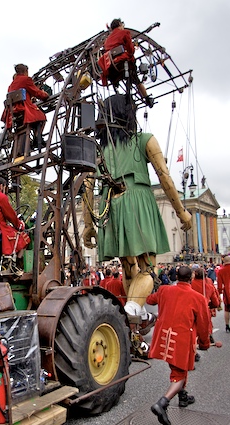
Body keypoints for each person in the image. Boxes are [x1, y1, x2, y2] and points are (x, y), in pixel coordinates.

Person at [82, 94, 192, 335]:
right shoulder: (145, 140)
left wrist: (88, 225)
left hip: (110, 206)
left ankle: (136, 321)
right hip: (137, 201)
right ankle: (131, 314)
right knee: (149, 270)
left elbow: (87, 189)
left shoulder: (98, 150)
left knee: (129, 269)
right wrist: (181, 211)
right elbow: (164, 177)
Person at [146, 266, 211, 425]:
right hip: (181, 339)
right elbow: (203, 324)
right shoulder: (198, 298)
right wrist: (205, 342)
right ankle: (162, 403)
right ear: (191, 277)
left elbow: (149, 300)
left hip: (163, 338)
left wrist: (159, 288)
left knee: (177, 368)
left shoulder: (164, 291)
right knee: (180, 374)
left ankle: (182, 396)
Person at [97, 18, 153, 107]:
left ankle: (119, 90)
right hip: (125, 63)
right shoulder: (125, 33)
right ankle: (146, 98)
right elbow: (131, 50)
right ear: (119, 24)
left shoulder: (107, 40)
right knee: (137, 81)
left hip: (112, 67)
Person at [1, 63, 49, 150]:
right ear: (25, 71)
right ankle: (37, 138)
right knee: (42, 117)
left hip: (13, 112)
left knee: (36, 117)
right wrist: (45, 95)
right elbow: (36, 92)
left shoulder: (11, 85)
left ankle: (33, 139)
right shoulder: (26, 80)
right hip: (23, 109)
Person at [0, 176, 30, 260]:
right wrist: (20, 225)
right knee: (25, 238)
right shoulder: (0, 196)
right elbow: (10, 215)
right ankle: (16, 263)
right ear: (1, 186)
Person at [191, 265, 220, 344]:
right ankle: (207, 336)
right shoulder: (209, 285)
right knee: (206, 323)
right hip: (205, 307)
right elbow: (215, 302)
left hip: (191, 308)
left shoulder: (190, 284)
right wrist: (212, 306)